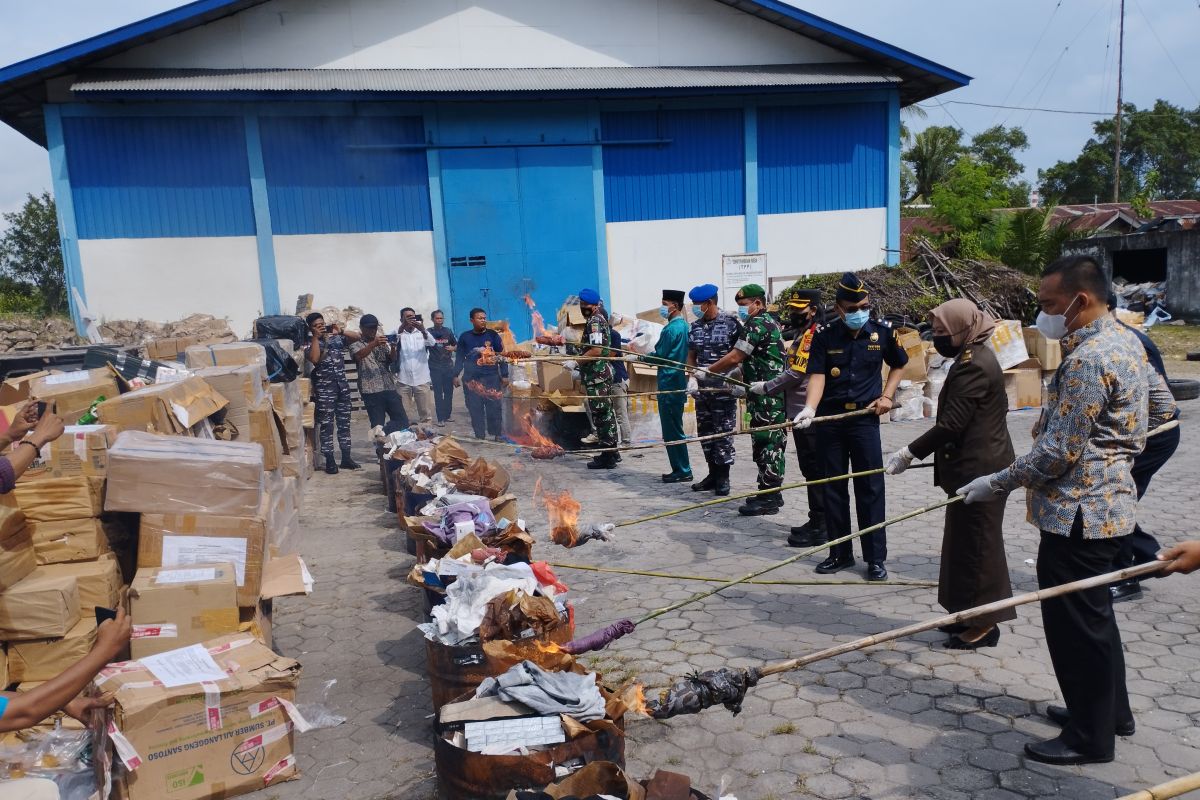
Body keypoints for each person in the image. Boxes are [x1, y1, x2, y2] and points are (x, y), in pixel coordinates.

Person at [958, 256, 1147, 766]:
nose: (1044, 315)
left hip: (1078, 517)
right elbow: (1164, 411)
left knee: (1074, 628)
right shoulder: (1127, 341)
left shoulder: (1088, 359)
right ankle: (1111, 713)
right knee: (1095, 620)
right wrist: (1118, 456)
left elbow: (1055, 453)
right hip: (1109, 508)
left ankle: (1089, 737)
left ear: (1080, 301)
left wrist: (994, 482)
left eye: (1048, 305)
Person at [885, 299, 1015, 649]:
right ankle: (964, 614)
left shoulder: (974, 364)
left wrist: (909, 452)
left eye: (943, 332)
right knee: (962, 543)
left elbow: (952, 424)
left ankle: (986, 624)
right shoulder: (969, 356)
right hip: (969, 467)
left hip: (982, 468)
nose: (938, 337)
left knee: (979, 546)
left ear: (961, 329)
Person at [793, 272, 907, 582]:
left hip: (864, 421)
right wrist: (810, 408)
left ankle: (875, 558)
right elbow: (817, 375)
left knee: (870, 489)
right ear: (839, 308)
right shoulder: (825, 334)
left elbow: (899, 363)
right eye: (853, 308)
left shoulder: (882, 332)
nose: (860, 312)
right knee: (833, 487)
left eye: (865, 306)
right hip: (831, 421)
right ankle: (839, 553)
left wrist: (887, 395)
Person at [1106, 293, 1180, 603]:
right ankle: (1149, 556)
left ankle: (1126, 579)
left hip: (1154, 434)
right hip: (1133, 434)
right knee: (1114, 499)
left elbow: (1160, 401)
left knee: (1114, 500)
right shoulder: (1106, 340)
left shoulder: (1131, 342)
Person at [751, 290, 826, 545]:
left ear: (813, 310)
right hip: (797, 412)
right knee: (810, 470)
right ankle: (816, 519)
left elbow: (795, 374)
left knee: (816, 470)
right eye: (792, 309)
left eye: (799, 310)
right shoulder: (802, 333)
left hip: (808, 412)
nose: (793, 314)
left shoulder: (813, 334)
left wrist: (766, 387)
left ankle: (822, 525)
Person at [707, 284, 786, 516]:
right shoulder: (768, 322)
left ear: (757, 303)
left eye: (744, 305)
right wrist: (739, 374)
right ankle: (767, 490)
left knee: (769, 444)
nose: (741, 310)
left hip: (767, 397)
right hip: (761, 393)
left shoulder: (757, 324)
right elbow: (752, 359)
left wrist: (709, 371)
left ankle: (770, 497)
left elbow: (736, 355)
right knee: (762, 444)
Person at [686, 283, 742, 497]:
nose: (694, 308)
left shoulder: (731, 324)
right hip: (703, 391)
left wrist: (737, 378)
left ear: (709, 303)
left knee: (723, 433)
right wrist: (691, 377)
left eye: (697, 304)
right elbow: (692, 355)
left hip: (723, 390)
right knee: (706, 433)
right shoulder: (696, 326)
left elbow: (741, 355)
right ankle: (712, 474)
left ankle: (723, 476)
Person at [641, 290, 692, 483]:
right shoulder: (684, 326)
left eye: (665, 303)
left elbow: (660, 355)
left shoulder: (671, 329)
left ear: (675, 306)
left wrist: (640, 357)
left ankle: (682, 469)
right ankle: (681, 468)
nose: (662, 307)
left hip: (669, 382)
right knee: (674, 427)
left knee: (672, 430)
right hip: (676, 382)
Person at [305, 312, 361, 475]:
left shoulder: (336, 339)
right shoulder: (309, 343)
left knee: (344, 423)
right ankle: (329, 459)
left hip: (342, 387)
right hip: (325, 390)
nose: (321, 327)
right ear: (310, 328)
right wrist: (316, 337)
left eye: (322, 323)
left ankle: (346, 457)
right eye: (316, 325)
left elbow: (357, 337)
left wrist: (340, 331)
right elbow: (315, 359)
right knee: (327, 426)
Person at [573, 289, 619, 470]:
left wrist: (575, 361)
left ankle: (608, 455)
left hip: (598, 376)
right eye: (581, 305)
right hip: (597, 375)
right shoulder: (597, 319)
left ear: (593, 306)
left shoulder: (595, 322)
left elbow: (596, 350)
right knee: (606, 413)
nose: (582, 308)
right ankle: (612, 451)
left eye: (585, 305)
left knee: (602, 415)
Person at [453, 308, 508, 440]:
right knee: (475, 409)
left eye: (484, 318)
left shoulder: (493, 335)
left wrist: (505, 374)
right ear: (472, 320)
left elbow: (502, 355)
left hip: (491, 378)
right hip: (472, 380)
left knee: (494, 407)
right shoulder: (465, 337)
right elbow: (459, 357)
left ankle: (496, 434)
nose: (483, 320)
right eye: (480, 318)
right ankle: (480, 436)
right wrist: (455, 375)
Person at [350, 313, 410, 433]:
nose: (373, 330)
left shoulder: (382, 343)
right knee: (377, 424)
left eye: (375, 328)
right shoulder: (355, 345)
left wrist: (393, 347)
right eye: (369, 328)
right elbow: (359, 356)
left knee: (402, 420)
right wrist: (373, 344)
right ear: (361, 328)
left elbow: (391, 360)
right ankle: (381, 448)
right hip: (371, 390)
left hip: (388, 386)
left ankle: (392, 441)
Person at [395, 307, 437, 424]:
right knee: (403, 413)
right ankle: (405, 436)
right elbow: (390, 347)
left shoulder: (421, 332)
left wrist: (423, 330)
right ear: (401, 319)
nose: (410, 320)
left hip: (422, 378)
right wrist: (400, 329)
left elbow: (432, 343)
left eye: (412, 317)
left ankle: (426, 436)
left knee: (425, 414)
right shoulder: (397, 332)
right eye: (407, 317)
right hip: (403, 379)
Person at [428, 310, 458, 427]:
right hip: (435, 367)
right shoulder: (428, 332)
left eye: (441, 318)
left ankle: (447, 415)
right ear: (432, 319)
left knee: (449, 392)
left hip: (448, 366)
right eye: (437, 318)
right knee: (438, 394)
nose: (439, 320)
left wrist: (453, 348)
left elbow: (456, 345)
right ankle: (440, 418)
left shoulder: (448, 331)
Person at [608, 325, 633, 445]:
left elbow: (611, 354)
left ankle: (626, 441)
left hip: (618, 380)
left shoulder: (613, 335)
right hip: (609, 381)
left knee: (620, 412)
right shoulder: (601, 336)